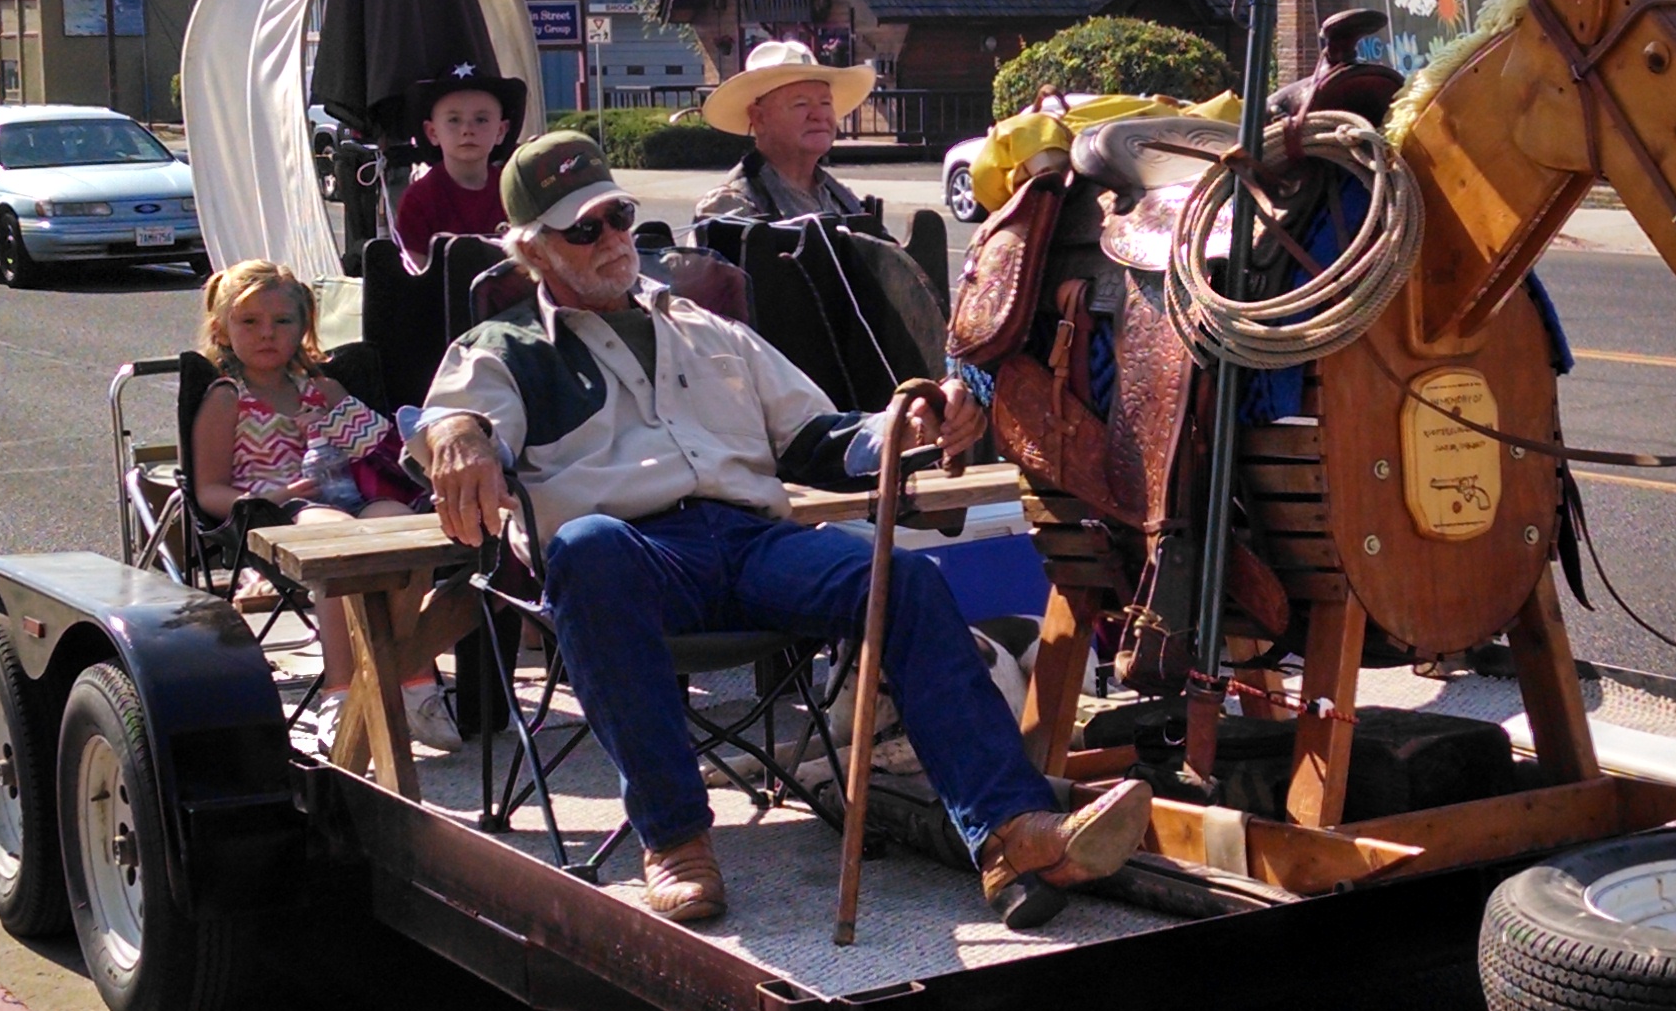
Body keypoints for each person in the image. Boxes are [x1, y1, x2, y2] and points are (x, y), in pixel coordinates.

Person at [416, 131, 1146, 927]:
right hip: (633, 560)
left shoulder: (704, 326)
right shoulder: (503, 347)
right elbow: (455, 417)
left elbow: (817, 439)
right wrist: (455, 435)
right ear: (533, 250)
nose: (613, 239)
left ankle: (1011, 831)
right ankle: (676, 839)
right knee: (587, 549)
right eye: (582, 228)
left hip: (751, 542)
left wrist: (916, 424)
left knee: (901, 576)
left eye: (617, 214)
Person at [190, 260, 433, 744]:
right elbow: (207, 491)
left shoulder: (320, 388)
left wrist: (336, 409)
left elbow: (386, 451)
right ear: (222, 328)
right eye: (250, 322)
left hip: (352, 494)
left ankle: (415, 681)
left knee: (404, 526)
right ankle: (339, 691)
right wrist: (271, 497)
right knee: (332, 536)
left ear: (304, 326)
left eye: (283, 321)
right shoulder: (226, 397)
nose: (268, 334)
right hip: (274, 513)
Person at [694, 40, 887, 231]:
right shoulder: (731, 206)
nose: (819, 115)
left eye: (826, 103)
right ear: (759, 118)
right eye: (801, 104)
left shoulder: (842, 197)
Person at [391, 53, 516, 248]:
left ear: (501, 131)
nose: (467, 130)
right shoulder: (418, 200)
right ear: (432, 132)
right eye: (454, 120)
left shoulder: (515, 194)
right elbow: (415, 272)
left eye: (481, 119)